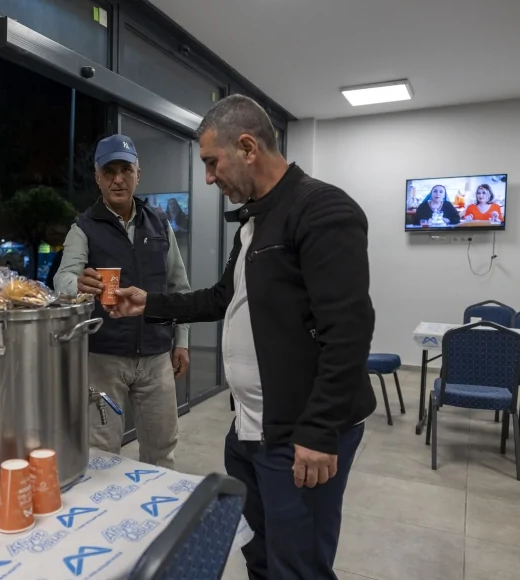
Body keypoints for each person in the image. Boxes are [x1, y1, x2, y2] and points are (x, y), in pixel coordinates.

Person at [105, 95, 376, 579]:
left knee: (298, 567)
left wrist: (318, 431)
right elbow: (221, 298)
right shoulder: (254, 221)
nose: (209, 178)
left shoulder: (322, 209)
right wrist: (149, 303)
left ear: (248, 148)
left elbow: (349, 332)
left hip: (298, 433)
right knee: (260, 554)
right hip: (251, 428)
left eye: (212, 162)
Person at [54, 134, 191, 469]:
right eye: (109, 171)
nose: (118, 179)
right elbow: (63, 279)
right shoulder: (83, 227)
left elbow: (179, 287)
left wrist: (182, 341)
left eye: (125, 170)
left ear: (137, 175)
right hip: (103, 358)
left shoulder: (160, 224)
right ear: (98, 178)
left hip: (157, 355)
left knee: (162, 449)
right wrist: (78, 284)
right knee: (100, 452)